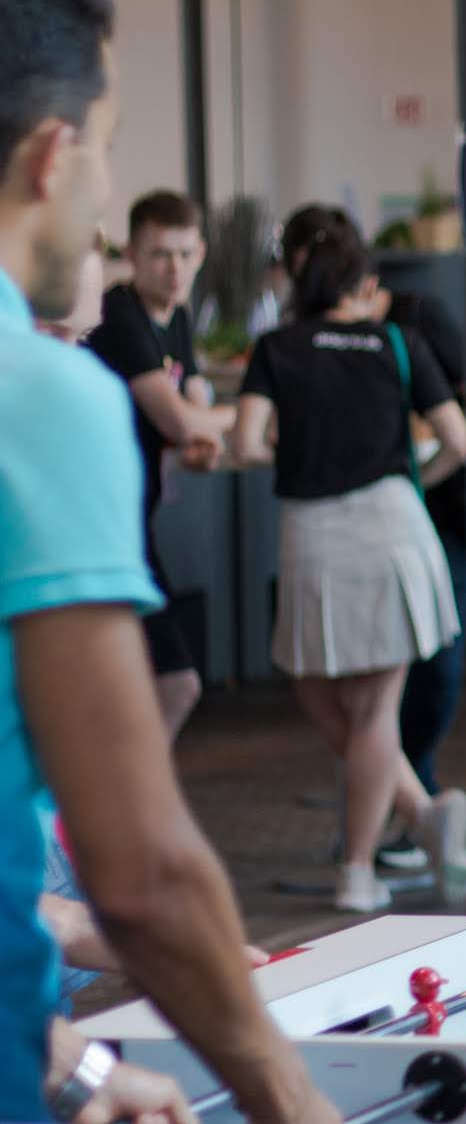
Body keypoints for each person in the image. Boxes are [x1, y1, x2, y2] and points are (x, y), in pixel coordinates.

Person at [0, 0, 343, 1124]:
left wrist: (75, 1067)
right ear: (51, 156)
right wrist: (284, 1097)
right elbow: (139, 867)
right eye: (106, 144)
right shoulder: (41, 400)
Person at [230, 216, 466, 913]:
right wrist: (410, 480)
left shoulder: (277, 346)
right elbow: (459, 437)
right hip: (392, 522)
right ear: (363, 284)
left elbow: (247, 443)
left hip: (313, 530)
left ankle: (359, 869)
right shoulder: (396, 341)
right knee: (366, 708)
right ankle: (422, 816)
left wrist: (300, 446)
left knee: (332, 697)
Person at [84, 188, 233, 741]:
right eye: (159, 255)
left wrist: (204, 432)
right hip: (101, 526)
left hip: (131, 525)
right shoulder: (120, 317)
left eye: (185, 255)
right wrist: (249, 415)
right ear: (131, 255)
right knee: (175, 684)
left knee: (160, 685)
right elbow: (180, 422)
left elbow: (193, 416)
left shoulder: (178, 317)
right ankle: (119, 811)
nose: (175, 270)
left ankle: (114, 809)